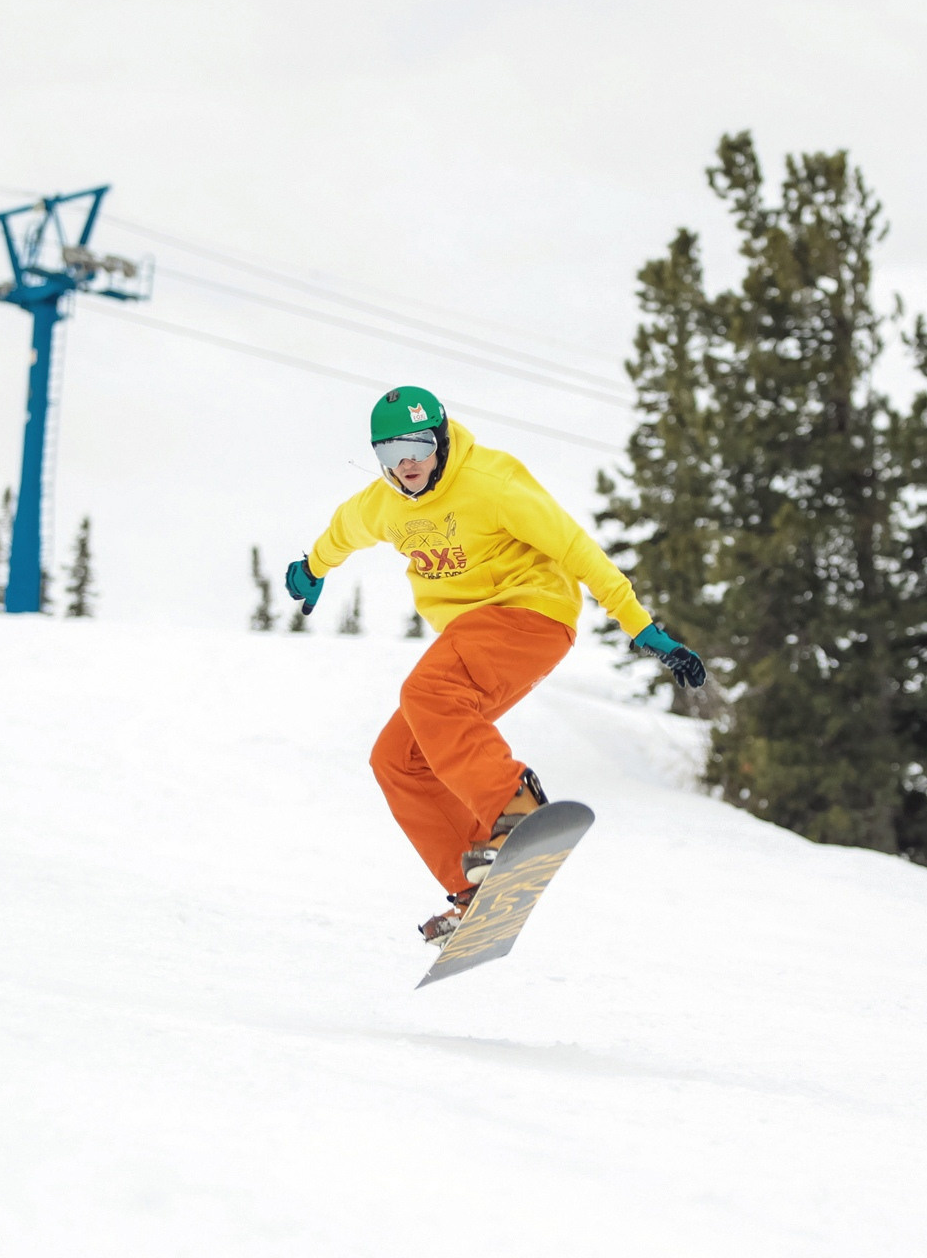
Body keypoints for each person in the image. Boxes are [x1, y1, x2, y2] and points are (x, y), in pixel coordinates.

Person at [286, 385, 705, 949]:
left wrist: (640, 625)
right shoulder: (382, 506)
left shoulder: (492, 483)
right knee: (398, 759)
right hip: (475, 639)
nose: (405, 465)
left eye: (415, 448)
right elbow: (342, 531)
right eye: (389, 454)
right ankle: (473, 891)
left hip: (531, 612)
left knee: (427, 692)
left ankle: (517, 807)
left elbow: (576, 548)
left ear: (438, 439)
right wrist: (313, 568)